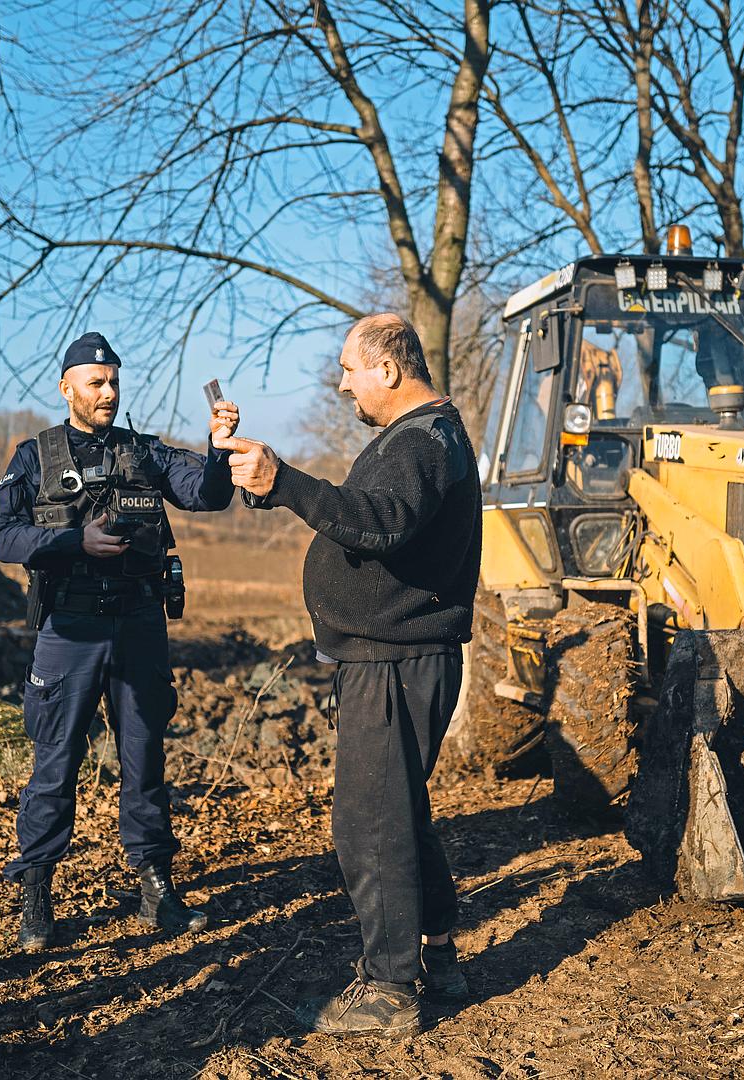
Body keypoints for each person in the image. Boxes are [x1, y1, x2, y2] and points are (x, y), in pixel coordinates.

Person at [217, 313, 482, 1037]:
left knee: (370, 825)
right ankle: (436, 950)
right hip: (394, 657)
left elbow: (379, 521)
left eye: (348, 369)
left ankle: (390, 991)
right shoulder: (420, 437)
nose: (341, 384)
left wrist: (289, 481)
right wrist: (265, 483)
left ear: (388, 370)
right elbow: (368, 521)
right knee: (398, 812)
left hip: (394, 662)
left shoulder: (423, 440)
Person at [0, 331, 240, 952]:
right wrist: (77, 542)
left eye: (114, 381)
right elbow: (3, 538)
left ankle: (155, 883)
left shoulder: (144, 453)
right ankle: (37, 891)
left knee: (144, 758)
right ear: (66, 387)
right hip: (67, 632)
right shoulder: (34, 456)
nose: (107, 392)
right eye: (95, 382)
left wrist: (217, 449)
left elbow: (207, 496)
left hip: (138, 627)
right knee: (55, 762)